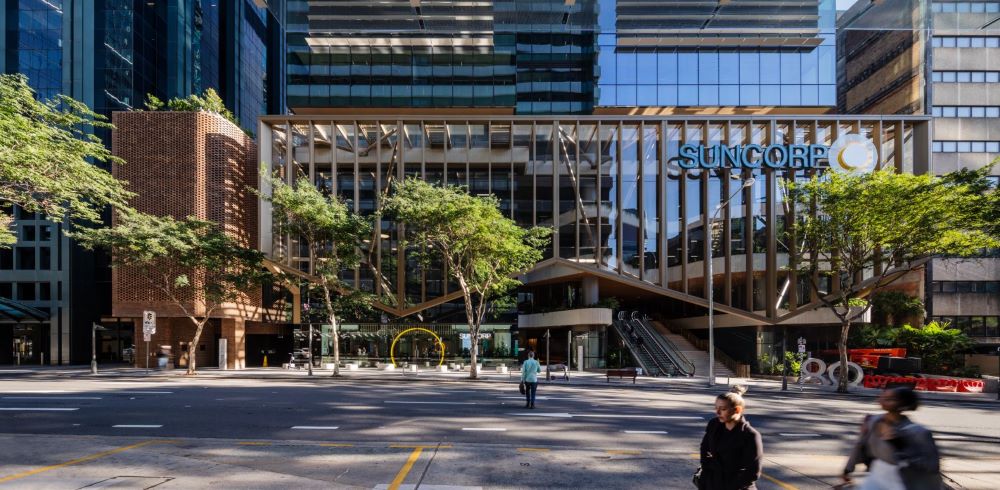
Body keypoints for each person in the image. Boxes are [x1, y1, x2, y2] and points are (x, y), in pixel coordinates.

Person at [843, 387, 942, 490]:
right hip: (877, 473)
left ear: (902, 404)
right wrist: (848, 469)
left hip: (904, 480)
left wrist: (897, 444)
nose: (882, 400)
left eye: (891, 399)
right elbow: (860, 444)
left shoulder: (918, 432)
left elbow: (932, 465)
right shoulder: (872, 421)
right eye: (883, 396)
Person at [697, 386, 762, 490]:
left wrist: (734, 485)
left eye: (723, 409)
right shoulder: (714, 425)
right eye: (716, 408)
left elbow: (753, 472)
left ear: (737, 410)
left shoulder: (750, 435)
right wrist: (707, 471)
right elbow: (704, 447)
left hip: (737, 486)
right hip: (713, 483)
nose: (717, 412)